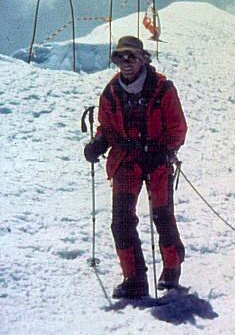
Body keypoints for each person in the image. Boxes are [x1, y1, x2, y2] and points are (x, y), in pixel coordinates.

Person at [83, 36, 188, 298]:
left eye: (132, 56)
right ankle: (134, 279)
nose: (126, 62)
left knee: (162, 216)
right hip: (126, 163)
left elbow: (177, 128)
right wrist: (98, 143)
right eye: (121, 57)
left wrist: (162, 151)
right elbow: (106, 128)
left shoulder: (162, 88)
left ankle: (172, 269)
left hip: (157, 163)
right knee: (121, 221)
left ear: (143, 59)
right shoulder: (110, 93)